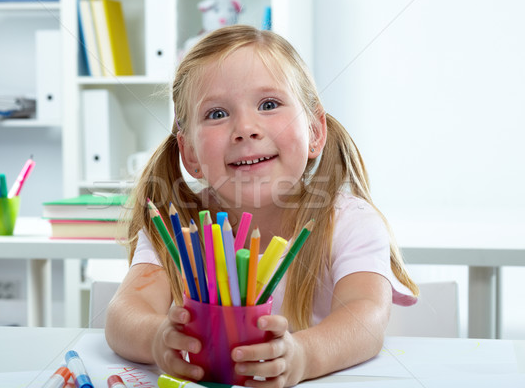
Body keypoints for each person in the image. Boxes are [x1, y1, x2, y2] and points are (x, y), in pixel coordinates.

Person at [105, 25, 419, 387]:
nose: (246, 128)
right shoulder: (181, 225)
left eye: (269, 105)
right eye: (217, 114)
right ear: (189, 152)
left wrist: (302, 357)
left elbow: (366, 317)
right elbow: (123, 315)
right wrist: (157, 338)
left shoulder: (350, 222)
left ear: (315, 131)